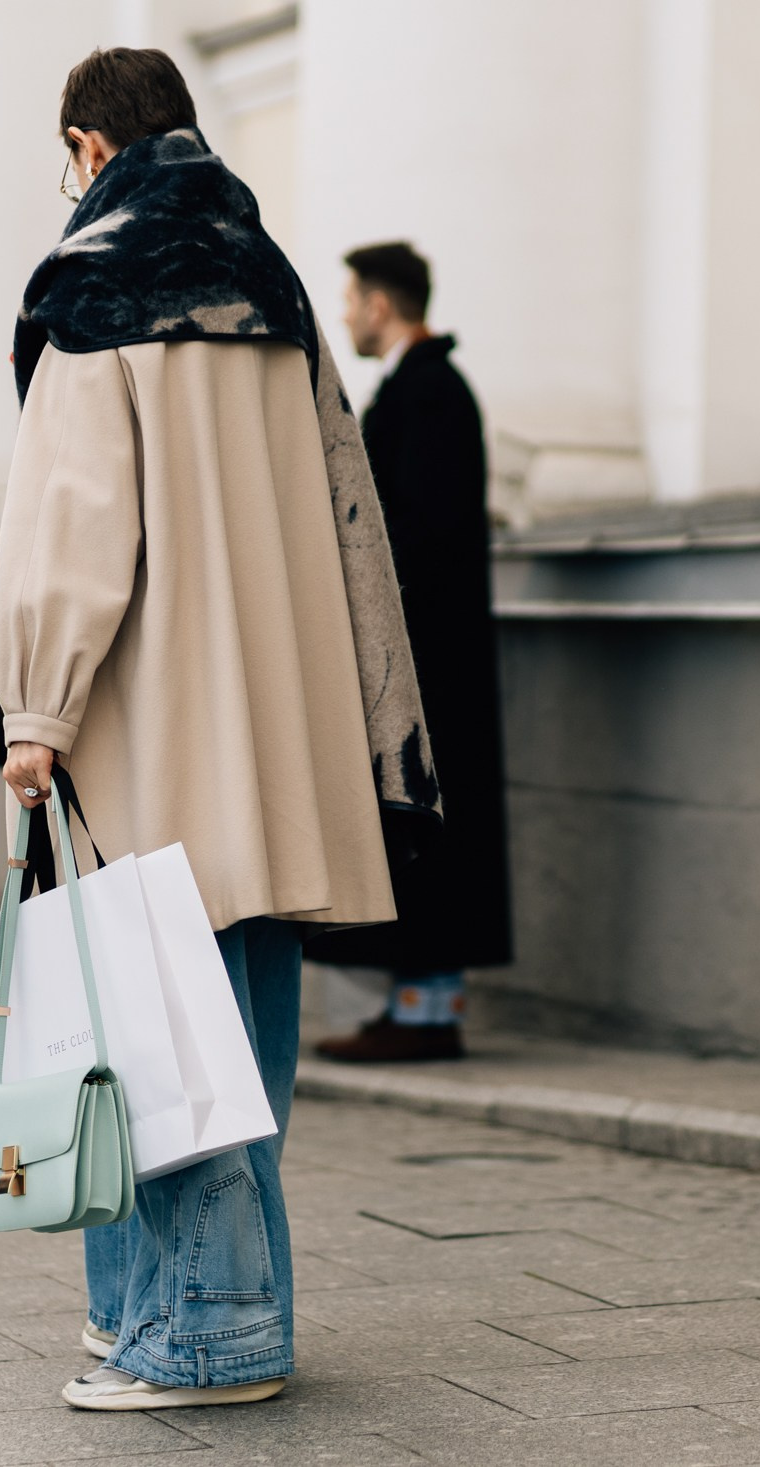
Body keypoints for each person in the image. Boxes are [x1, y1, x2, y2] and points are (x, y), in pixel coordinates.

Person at [0, 48, 436, 1411]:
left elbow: (71, 521)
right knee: (237, 1030)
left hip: (149, 721)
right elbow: (356, 521)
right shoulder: (278, 286)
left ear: (84, 145)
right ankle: (147, 1311)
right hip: (281, 732)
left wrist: (35, 702)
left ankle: (208, 1335)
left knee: (146, 1030)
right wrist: (377, 722)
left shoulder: (93, 285)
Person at [309, 243, 513, 1062]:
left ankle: (428, 1013)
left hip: (430, 661)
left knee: (433, 828)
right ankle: (417, 1005)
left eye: (353, 301)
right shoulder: (422, 388)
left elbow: (413, 536)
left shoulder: (429, 393)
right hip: (428, 657)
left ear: (382, 305)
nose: (349, 315)